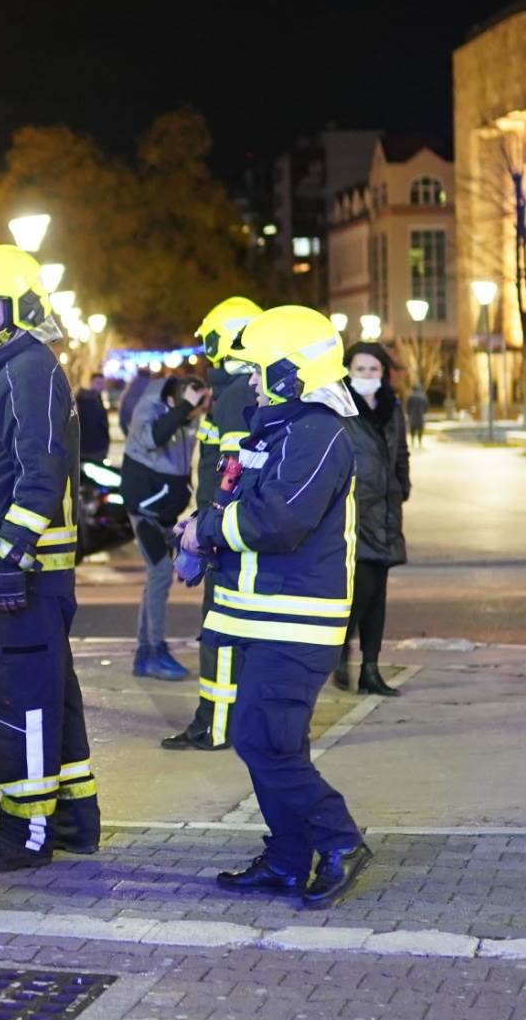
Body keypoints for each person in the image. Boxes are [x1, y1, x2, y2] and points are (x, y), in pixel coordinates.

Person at [178, 304, 371, 910]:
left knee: (265, 743)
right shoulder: (283, 429)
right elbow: (243, 497)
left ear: (293, 372)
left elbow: (280, 520)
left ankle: (338, 840)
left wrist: (206, 528)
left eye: (260, 370)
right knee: (264, 739)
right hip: (265, 615)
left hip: (298, 619)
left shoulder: (318, 431)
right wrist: (204, 528)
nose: (253, 381)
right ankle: (289, 858)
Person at [0, 244, 100, 873]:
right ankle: (72, 821)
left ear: (21, 306)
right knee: (50, 695)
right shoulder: (6, 370)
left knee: (21, 702)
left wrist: (10, 556)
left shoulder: (28, 369)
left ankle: (26, 834)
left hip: (25, 575)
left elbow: (41, 472)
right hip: (18, 573)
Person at [161, 296, 262, 752]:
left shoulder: (239, 395)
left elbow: (233, 475)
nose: (208, 354)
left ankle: (215, 726)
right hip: (221, 530)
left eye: (212, 343)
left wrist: (207, 529)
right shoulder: (236, 394)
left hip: (224, 538)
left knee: (221, 634)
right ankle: (223, 721)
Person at [120, 373, 206, 680]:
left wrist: (190, 410)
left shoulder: (182, 417)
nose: (199, 408)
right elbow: (153, 438)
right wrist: (185, 406)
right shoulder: (152, 409)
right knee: (159, 577)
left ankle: (148, 653)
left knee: (157, 579)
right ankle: (151, 652)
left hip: (162, 512)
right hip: (144, 511)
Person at [335, 342, 410, 696]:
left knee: (378, 594)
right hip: (354, 511)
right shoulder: (339, 408)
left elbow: (401, 452)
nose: (367, 376)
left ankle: (370, 668)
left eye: (374, 369)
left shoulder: (392, 407)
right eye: (360, 369)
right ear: (348, 371)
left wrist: (401, 485)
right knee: (361, 590)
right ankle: (339, 652)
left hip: (385, 511)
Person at [76, 373, 111, 464]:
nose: (101, 386)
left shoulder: (95, 399)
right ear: (91, 383)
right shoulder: (88, 401)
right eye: (98, 383)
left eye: (102, 383)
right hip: (91, 450)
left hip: (93, 449)